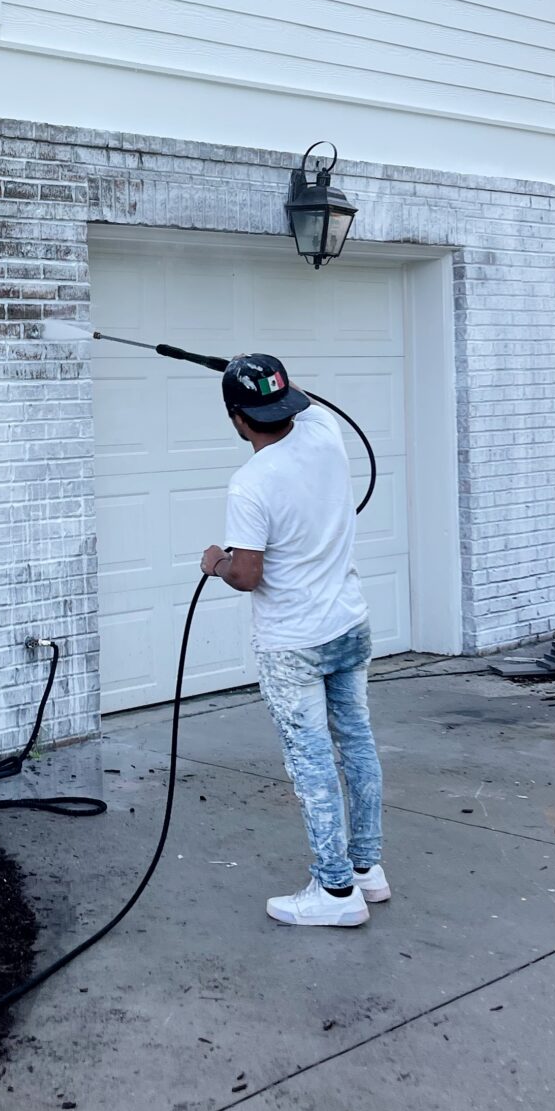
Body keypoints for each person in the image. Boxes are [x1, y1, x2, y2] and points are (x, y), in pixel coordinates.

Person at [199, 352, 388, 929]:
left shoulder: (251, 482)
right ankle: (367, 871)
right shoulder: (325, 433)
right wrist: (263, 376)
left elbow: (249, 575)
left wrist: (217, 563)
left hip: (294, 643)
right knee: (355, 744)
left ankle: (335, 895)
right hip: (349, 625)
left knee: (310, 763)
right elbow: (302, 397)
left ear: (236, 418)